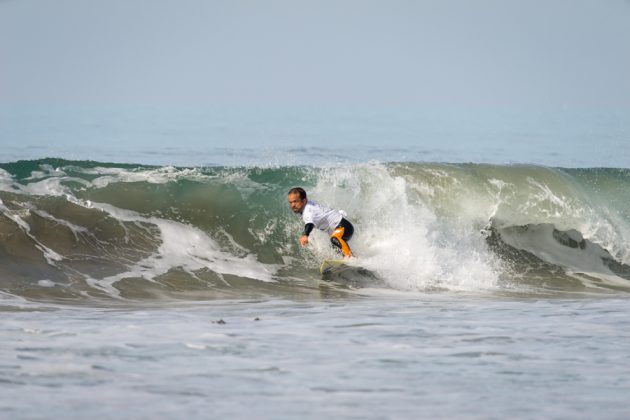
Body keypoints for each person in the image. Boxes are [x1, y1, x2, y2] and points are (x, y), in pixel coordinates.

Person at [287, 187, 354, 258]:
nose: (292, 205)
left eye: (295, 201)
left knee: (334, 239)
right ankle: (350, 258)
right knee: (334, 248)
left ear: (304, 200)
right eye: (290, 202)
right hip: (342, 227)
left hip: (344, 227)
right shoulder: (309, 205)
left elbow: (310, 224)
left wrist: (305, 235)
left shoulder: (308, 211)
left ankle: (351, 258)